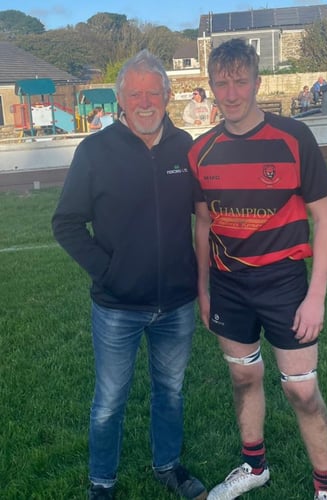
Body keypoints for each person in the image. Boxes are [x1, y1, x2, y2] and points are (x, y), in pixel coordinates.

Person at [51, 49, 206, 500]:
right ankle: (102, 483)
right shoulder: (95, 150)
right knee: (109, 402)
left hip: (176, 303)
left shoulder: (186, 147)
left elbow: (203, 217)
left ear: (168, 95)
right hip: (117, 305)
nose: (144, 102)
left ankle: (168, 466)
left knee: (170, 392)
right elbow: (65, 223)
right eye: (134, 93)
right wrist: (108, 271)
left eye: (152, 93)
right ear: (121, 99)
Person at [188, 39, 327, 500]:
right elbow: (203, 225)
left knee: (301, 392)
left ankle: (326, 488)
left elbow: (324, 218)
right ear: (211, 87)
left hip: (285, 284)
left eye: (239, 82)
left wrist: (316, 296)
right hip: (229, 286)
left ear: (256, 82)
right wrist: (205, 290)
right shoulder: (201, 151)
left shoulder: (294, 138)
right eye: (221, 83)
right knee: (243, 377)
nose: (231, 93)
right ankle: (255, 467)